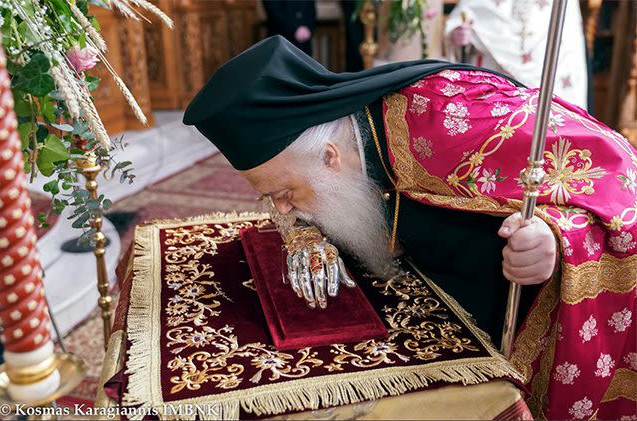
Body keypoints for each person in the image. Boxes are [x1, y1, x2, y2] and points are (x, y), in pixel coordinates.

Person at [184, 36, 636, 420]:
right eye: (270, 197)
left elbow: (620, 184)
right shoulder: (330, 144)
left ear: (330, 157)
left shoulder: (454, 121)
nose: (280, 209)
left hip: (518, 322)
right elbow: (300, 207)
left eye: (284, 193)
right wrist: (305, 234)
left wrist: (554, 237)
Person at [445, 0, 590, 111]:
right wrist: (456, 33)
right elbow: (464, 14)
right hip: (493, 81)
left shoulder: (564, 4)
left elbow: (569, 45)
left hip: (546, 80)